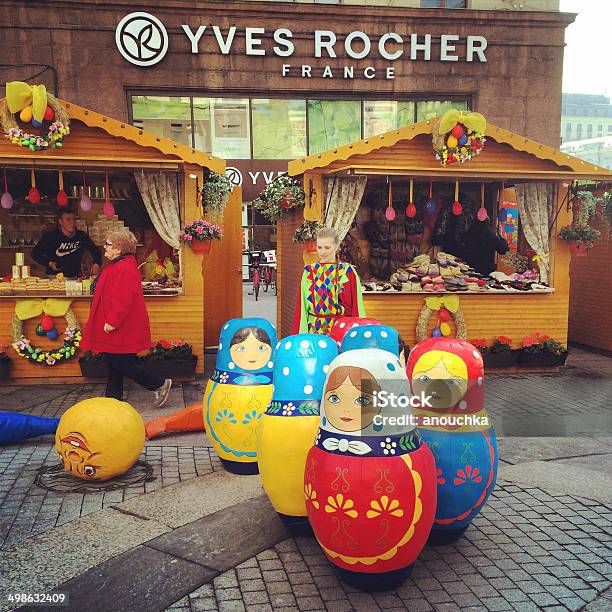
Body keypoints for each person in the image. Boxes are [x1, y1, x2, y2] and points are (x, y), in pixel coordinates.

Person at [80, 229, 172, 407]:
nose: (104, 247)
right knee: (114, 364)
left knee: (121, 363)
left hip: (121, 327)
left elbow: (123, 299)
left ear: (120, 248)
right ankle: (113, 402)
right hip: (119, 326)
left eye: (108, 244)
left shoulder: (124, 267)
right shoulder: (118, 265)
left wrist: (112, 321)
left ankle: (159, 383)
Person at [292, 227, 365, 335]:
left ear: (336, 246)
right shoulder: (309, 272)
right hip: (314, 332)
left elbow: (356, 308)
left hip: (340, 331)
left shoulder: (347, 272)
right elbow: (302, 308)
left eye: (327, 247)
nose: (322, 252)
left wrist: (358, 335)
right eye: (319, 247)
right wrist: (301, 336)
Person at [32, 209, 101, 278]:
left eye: (74, 220)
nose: (72, 223)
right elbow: (35, 254)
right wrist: (50, 263)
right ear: (60, 222)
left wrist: (97, 263)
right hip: (55, 277)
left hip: (75, 276)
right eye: (68, 219)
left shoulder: (81, 236)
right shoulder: (51, 237)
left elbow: (95, 251)